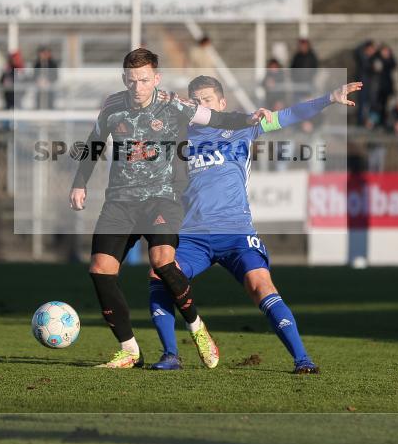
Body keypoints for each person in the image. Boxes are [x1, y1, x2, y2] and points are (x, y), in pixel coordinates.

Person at [69, 48, 270, 369]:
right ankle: (130, 350)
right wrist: (80, 182)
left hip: (162, 199)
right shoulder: (111, 106)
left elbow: (215, 118)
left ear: (156, 79)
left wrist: (249, 118)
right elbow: (94, 143)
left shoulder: (174, 104)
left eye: (144, 80)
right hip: (120, 201)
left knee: (162, 261)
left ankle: (196, 327)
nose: (138, 87)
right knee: (100, 270)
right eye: (132, 80)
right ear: (124, 79)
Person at [148, 75, 362, 374]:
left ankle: (302, 359)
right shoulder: (180, 138)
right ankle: (171, 355)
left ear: (221, 103)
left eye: (207, 100)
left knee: (260, 286)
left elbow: (288, 116)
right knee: (159, 275)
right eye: (195, 101)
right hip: (193, 235)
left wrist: (329, 98)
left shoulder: (243, 128)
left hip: (236, 232)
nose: (200, 106)